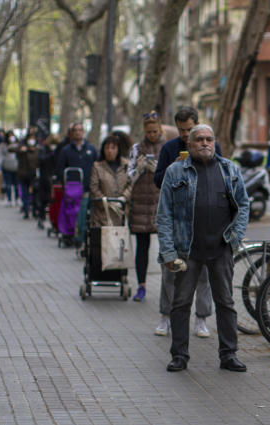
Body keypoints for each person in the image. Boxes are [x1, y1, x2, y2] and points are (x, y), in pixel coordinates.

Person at [156, 124, 249, 372]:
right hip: (187, 251)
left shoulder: (229, 169)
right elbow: (164, 214)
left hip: (220, 249)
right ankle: (179, 355)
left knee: (226, 303)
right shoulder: (175, 172)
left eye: (209, 139)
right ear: (189, 144)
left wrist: (235, 238)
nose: (204, 143)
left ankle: (229, 354)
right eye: (199, 139)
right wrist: (167, 252)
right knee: (181, 303)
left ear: (215, 142)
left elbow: (243, 205)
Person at [153, 106, 214, 338]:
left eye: (189, 129)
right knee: (170, 273)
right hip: (178, 222)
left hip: (202, 222)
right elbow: (158, 180)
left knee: (203, 275)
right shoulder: (169, 148)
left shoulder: (207, 146)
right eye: (181, 130)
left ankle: (201, 319)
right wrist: (174, 168)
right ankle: (165, 316)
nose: (184, 135)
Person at [127, 112, 166, 304]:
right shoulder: (136, 148)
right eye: (149, 131)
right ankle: (141, 285)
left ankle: (167, 287)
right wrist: (140, 168)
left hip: (161, 204)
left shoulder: (167, 147)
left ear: (160, 129)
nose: (152, 134)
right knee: (142, 248)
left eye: (155, 131)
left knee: (165, 248)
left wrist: (158, 169)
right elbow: (129, 177)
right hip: (141, 205)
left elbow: (172, 175)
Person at [57, 122, 99, 243]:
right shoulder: (66, 150)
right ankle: (71, 234)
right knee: (71, 213)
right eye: (75, 130)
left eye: (80, 130)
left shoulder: (91, 149)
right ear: (71, 133)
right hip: (72, 190)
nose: (78, 132)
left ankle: (82, 237)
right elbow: (60, 168)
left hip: (87, 189)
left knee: (84, 214)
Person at [89, 135, 131, 228]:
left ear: (118, 150)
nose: (110, 151)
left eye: (113, 148)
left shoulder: (126, 165)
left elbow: (131, 184)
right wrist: (107, 202)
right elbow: (94, 187)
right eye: (107, 148)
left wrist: (124, 197)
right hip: (102, 214)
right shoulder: (97, 166)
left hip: (121, 211)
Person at [35, 133, 61, 230]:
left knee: (54, 201)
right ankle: (41, 218)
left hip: (55, 178)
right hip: (45, 178)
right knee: (43, 200)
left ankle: (54, 221)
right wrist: (50, 155)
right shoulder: (44, 149)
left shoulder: (59, 150)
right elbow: (40, 160)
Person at [15, 131, 40, 219]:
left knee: (34, 194)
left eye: (33, 139)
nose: (31, 141)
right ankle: (26, 210)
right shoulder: (22, 149)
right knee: (25, 194)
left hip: (33, 175)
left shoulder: (38, 149)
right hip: (23, 174)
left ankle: (34, 210)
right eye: (30, 139)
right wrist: (21, 149)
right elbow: (15, 152)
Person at [0, 131, 20, 207]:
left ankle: (17, 199)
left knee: (16, 185)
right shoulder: (3, 145)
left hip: (17, 168)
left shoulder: (18, 145)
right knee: (8, 185)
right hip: (6, 167)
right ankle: (9, 200)